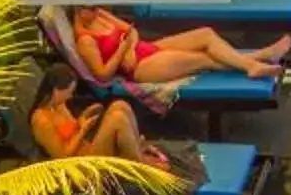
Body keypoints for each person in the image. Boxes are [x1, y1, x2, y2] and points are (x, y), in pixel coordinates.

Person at [68, 6, 290, 85]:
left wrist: (129, 44)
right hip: (140, 68)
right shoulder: (86, 41)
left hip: (145, 48)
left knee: (206, 35)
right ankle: (254, 63)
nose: (97, 10)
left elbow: (131, 30)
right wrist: (121, 50)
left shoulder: (101, 15)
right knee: (203, 59)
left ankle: (259, 56)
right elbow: (103, 75)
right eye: (91, 8)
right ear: (78, 10)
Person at [29, 65, 179, 172]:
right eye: (69, 92)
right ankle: (140, 165)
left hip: (88, 148)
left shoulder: (59, 105)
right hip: (81, 165)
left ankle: (136, 151)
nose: (71, 96)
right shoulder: (41, 120)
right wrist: (84, 129)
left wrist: (83, 118)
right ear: (55, 90)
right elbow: (62, 157)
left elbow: (71, 129)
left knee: (119, 105)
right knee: (117, 119)